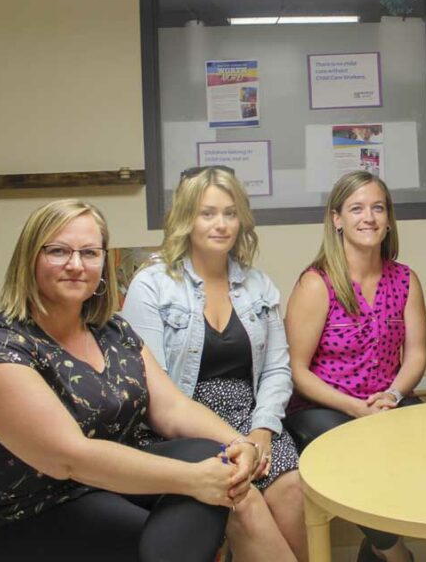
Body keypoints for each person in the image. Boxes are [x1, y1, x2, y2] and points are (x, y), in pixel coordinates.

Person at [0, 199, 259, 562]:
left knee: (212, 455)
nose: (76, 265)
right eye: (58, 251)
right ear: (29, 259)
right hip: (25, 514)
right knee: (185, 517)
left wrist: (241, 444)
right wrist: (195, 480)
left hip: (103, 485)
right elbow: (70, 458)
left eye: (89, 253)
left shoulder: (111, 330)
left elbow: (173, 409)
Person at [121, 166, 306, 562]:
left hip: (253, 419)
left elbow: (276, 370)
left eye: (230, 213)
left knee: (293, 490)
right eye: (207, 213)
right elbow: (155, 393)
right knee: (239, 498)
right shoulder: (151, 286)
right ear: (186, 219)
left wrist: (262, 430)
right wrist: (235, 444)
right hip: (183, 426)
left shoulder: (259, 286)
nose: (221, 224)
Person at [284, 170, 426, 562]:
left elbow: (415, 355)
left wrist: (394, 395)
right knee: (354, 455)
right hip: (324, 409)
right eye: (357, 208)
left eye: (378, 208)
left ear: (389, 217)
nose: (369, 217)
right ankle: (394, 551)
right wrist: (355, 409)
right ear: (337, 219)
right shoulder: (317, 284)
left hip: (388, 402)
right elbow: (296, 370)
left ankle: (375, 550)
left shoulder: (405, 280)